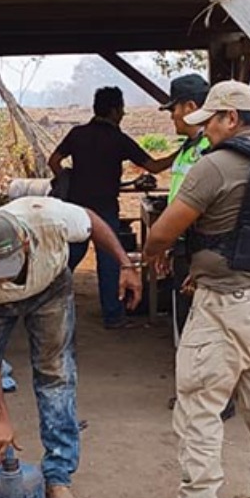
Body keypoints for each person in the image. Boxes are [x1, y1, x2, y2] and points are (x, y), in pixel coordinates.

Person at [142, 81, 250, 498]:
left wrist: (155, 254)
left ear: (231, 119)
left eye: (209, 122)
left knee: (200, 409)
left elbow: (164, 230)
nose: (205, 132)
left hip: (224, 309)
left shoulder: (215, 166)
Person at [0, 197, 142, 498]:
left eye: (8, 269)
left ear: (24, 243)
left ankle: (58, 477)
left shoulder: (50, 219)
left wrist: (125, 264)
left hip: (51, 289)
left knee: (56, 376)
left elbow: (92, 218)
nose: (3, 279)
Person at [48, 86, 171, 329]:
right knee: (110, 263)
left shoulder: (77, 134)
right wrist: (183, 151)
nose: (123, 114)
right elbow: (154, 167)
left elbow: (53, 161)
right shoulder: (118, 139)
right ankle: (113, 317)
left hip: (76, 209)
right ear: (114, 111)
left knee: (67, 260)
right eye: (122, 109)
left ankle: (46, 306)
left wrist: (66, 179)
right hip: (104, 210)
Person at [161, 74, 212, 201]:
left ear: (190, 107)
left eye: (173, 109)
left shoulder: (210, 148)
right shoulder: (189, 146)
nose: (172, 117)